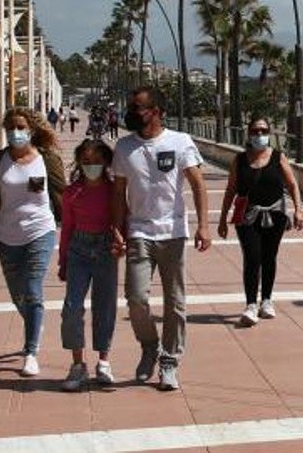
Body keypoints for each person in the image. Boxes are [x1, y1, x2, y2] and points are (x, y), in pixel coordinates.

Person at [112, 86, 210, 392]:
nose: (132, 112)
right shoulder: (124, 147)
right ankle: (149, 345)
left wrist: (203, 225)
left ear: (156, 111)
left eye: (138, 107)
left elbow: (198, 185)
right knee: (137, 298)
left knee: (175, 303)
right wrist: (118, 227)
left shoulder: (180, 142)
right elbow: (118, 193)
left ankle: (169, 361)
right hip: (139, 230)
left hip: (173, 233)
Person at [0, 107, 66, 377]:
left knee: (32, 289)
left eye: (20, 127)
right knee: (18, 296)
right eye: (10, 128)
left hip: (40, 231)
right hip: (7, 236)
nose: (15, 132)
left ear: (32, 129)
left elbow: (62, 193)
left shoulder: (47, 159)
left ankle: (30, 351)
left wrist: (76, 227)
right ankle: (34, 322)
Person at [217, 117, 303, 327]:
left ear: (269, 133)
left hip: (275, 215)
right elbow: (230, 190)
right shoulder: (239, 160)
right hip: (247, 217)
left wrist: (298, 211)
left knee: (269, 257)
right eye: (255, 131)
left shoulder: (278, 157)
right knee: (252, 258)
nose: (259, 135)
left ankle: (266, 300)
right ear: (249, 134)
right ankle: (250, 305)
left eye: (263, 131)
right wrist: (222, 219)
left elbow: (292, 185)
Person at [58, 139, 125, 391]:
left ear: (107, 162)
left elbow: (122, 218)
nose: (92, 166)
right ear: (79, 163)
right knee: (72, 307)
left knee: (104, 305)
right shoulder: (71, 192)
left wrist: (121, 242)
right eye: (86, 162)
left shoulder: (114, 190)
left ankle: (104, 361)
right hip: (79, 250)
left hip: (106, 248)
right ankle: (77, 364)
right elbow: (67, 228)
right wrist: (63, 260)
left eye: (97, 161)